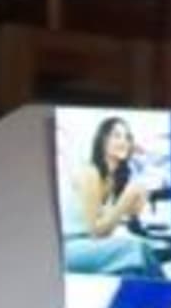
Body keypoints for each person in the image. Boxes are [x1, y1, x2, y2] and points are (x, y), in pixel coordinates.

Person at [63, 116, 164, 278]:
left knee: (137, 264)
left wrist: (136, 199)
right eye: (116, 136)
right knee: (135, 249)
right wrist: (127, 197)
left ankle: (160, 293)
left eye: (127, 137)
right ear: (103, 141)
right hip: (70, 248)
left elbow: (120, 223)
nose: (123, 141)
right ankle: (170, 292)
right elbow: (97, 232)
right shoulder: (90, 173)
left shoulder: (113, 179)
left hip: (91, 245)